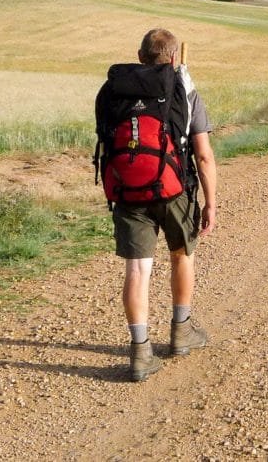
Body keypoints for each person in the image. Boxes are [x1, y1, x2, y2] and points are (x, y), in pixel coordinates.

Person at [95, 28, 218, 382]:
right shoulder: (184, 90)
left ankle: (140, 352)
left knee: (137, 270)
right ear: (174, 57)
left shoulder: (112, 91)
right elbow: (203, 156)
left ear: (139, 56)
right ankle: (181, 332)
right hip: (174, 190)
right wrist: (210, 203)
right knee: (181, 255)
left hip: (128, 191)